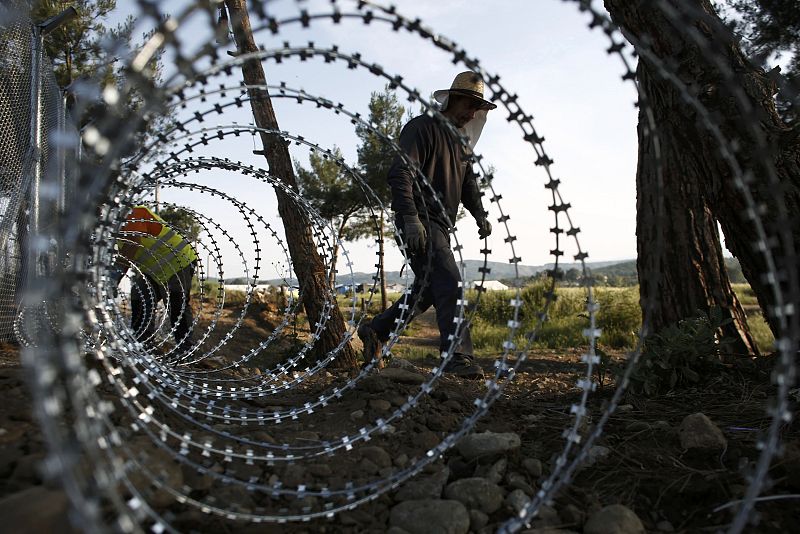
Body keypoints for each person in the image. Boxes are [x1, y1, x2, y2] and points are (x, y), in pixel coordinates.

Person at [358, 71, 496, 379]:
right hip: (419, 221)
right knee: (451, 283)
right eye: (469, 105)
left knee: (429, 291)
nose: (472, 114)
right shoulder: (421, 129)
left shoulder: (461, 142)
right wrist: (409, 218)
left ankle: (376, 329)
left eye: (478, 109)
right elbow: (400, 173)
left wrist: (480, 214)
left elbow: (468, 183)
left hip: (441, 225)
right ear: (452, 99)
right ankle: (457, 357)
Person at [113, 205, 198, 356]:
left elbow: (130, 248)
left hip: (178, 261)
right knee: (139, 297)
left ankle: (186, 348)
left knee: (176, 304)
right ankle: (142, 343)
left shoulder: (133, 214)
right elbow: (124, 255)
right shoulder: (117, 230)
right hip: (154, 270)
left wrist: (113, 278)